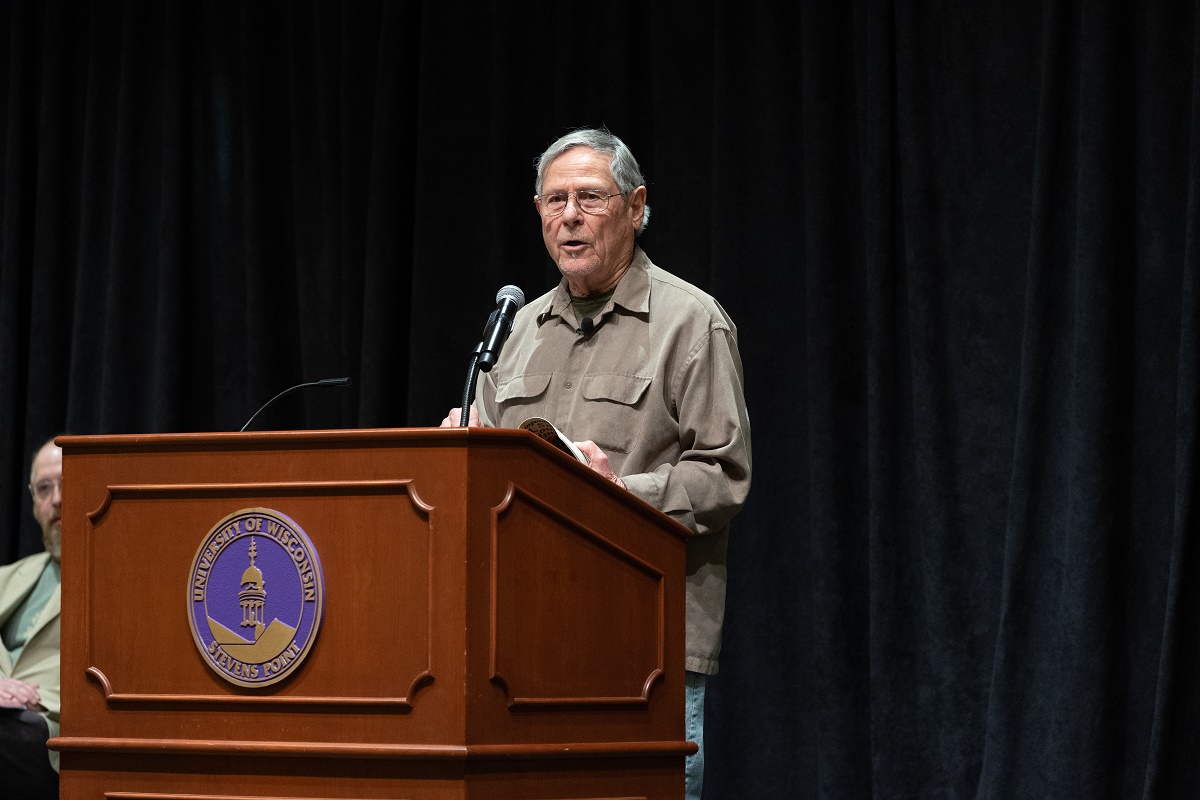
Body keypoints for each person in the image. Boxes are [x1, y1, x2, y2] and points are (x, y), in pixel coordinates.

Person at [441, 127, 751, 798]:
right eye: (555, 201)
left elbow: (724, 475)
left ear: (637, 208)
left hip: (644, 648)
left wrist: (618, 494)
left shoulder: (690, 323)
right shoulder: (517, 332)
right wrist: (463, 453)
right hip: (520, 650)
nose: (570, 216)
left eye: (591, 197)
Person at [0, 437, 63, 799]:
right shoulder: (9, 577)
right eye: (44, 488)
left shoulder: (118, 582)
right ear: (34, 502)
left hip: (50, 730)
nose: (57, 499)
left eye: (67, 485)